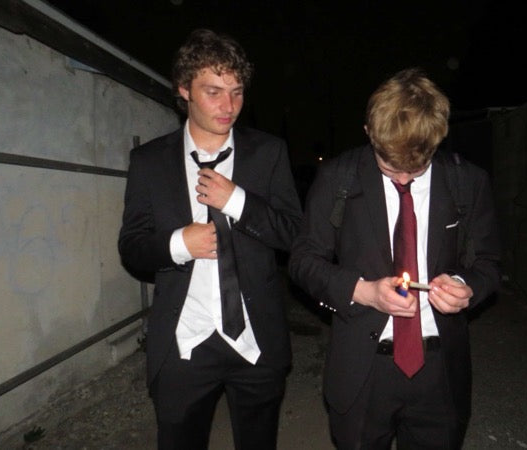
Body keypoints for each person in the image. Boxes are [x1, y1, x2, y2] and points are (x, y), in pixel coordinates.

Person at [288, 68, 501, 449]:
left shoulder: (467, 181)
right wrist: (363, 291)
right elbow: (303, 260)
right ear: (369, 132)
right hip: (363, 369)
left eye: (415, 168)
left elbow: (488, 262)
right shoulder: (338, 177)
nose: (403, 179)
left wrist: (465, 286)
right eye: (390, 166)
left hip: (439, 372)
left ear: (438, 139)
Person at [118, 29, 302, 449]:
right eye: (214, 92)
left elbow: (294, 233)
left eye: (237, 92)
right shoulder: (149, 161)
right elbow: (131, 247)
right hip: (184, 342)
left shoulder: (268, 152)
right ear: (184, 90)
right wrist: (179, 244)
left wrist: (237, 201)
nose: (229, 106)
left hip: (255, 339)